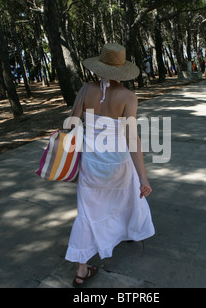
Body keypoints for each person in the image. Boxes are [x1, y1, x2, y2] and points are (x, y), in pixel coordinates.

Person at [66, 43, 155, 287]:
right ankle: (127, 233)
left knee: (87, 212)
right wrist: (143, 177)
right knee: (128, 197)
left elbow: (72, 123)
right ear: (122, 70)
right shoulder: (128, 96)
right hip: (119, 163)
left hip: (91, 162)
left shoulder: (85, 89)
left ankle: (81, 271)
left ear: (99, 66)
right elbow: (132, 138)